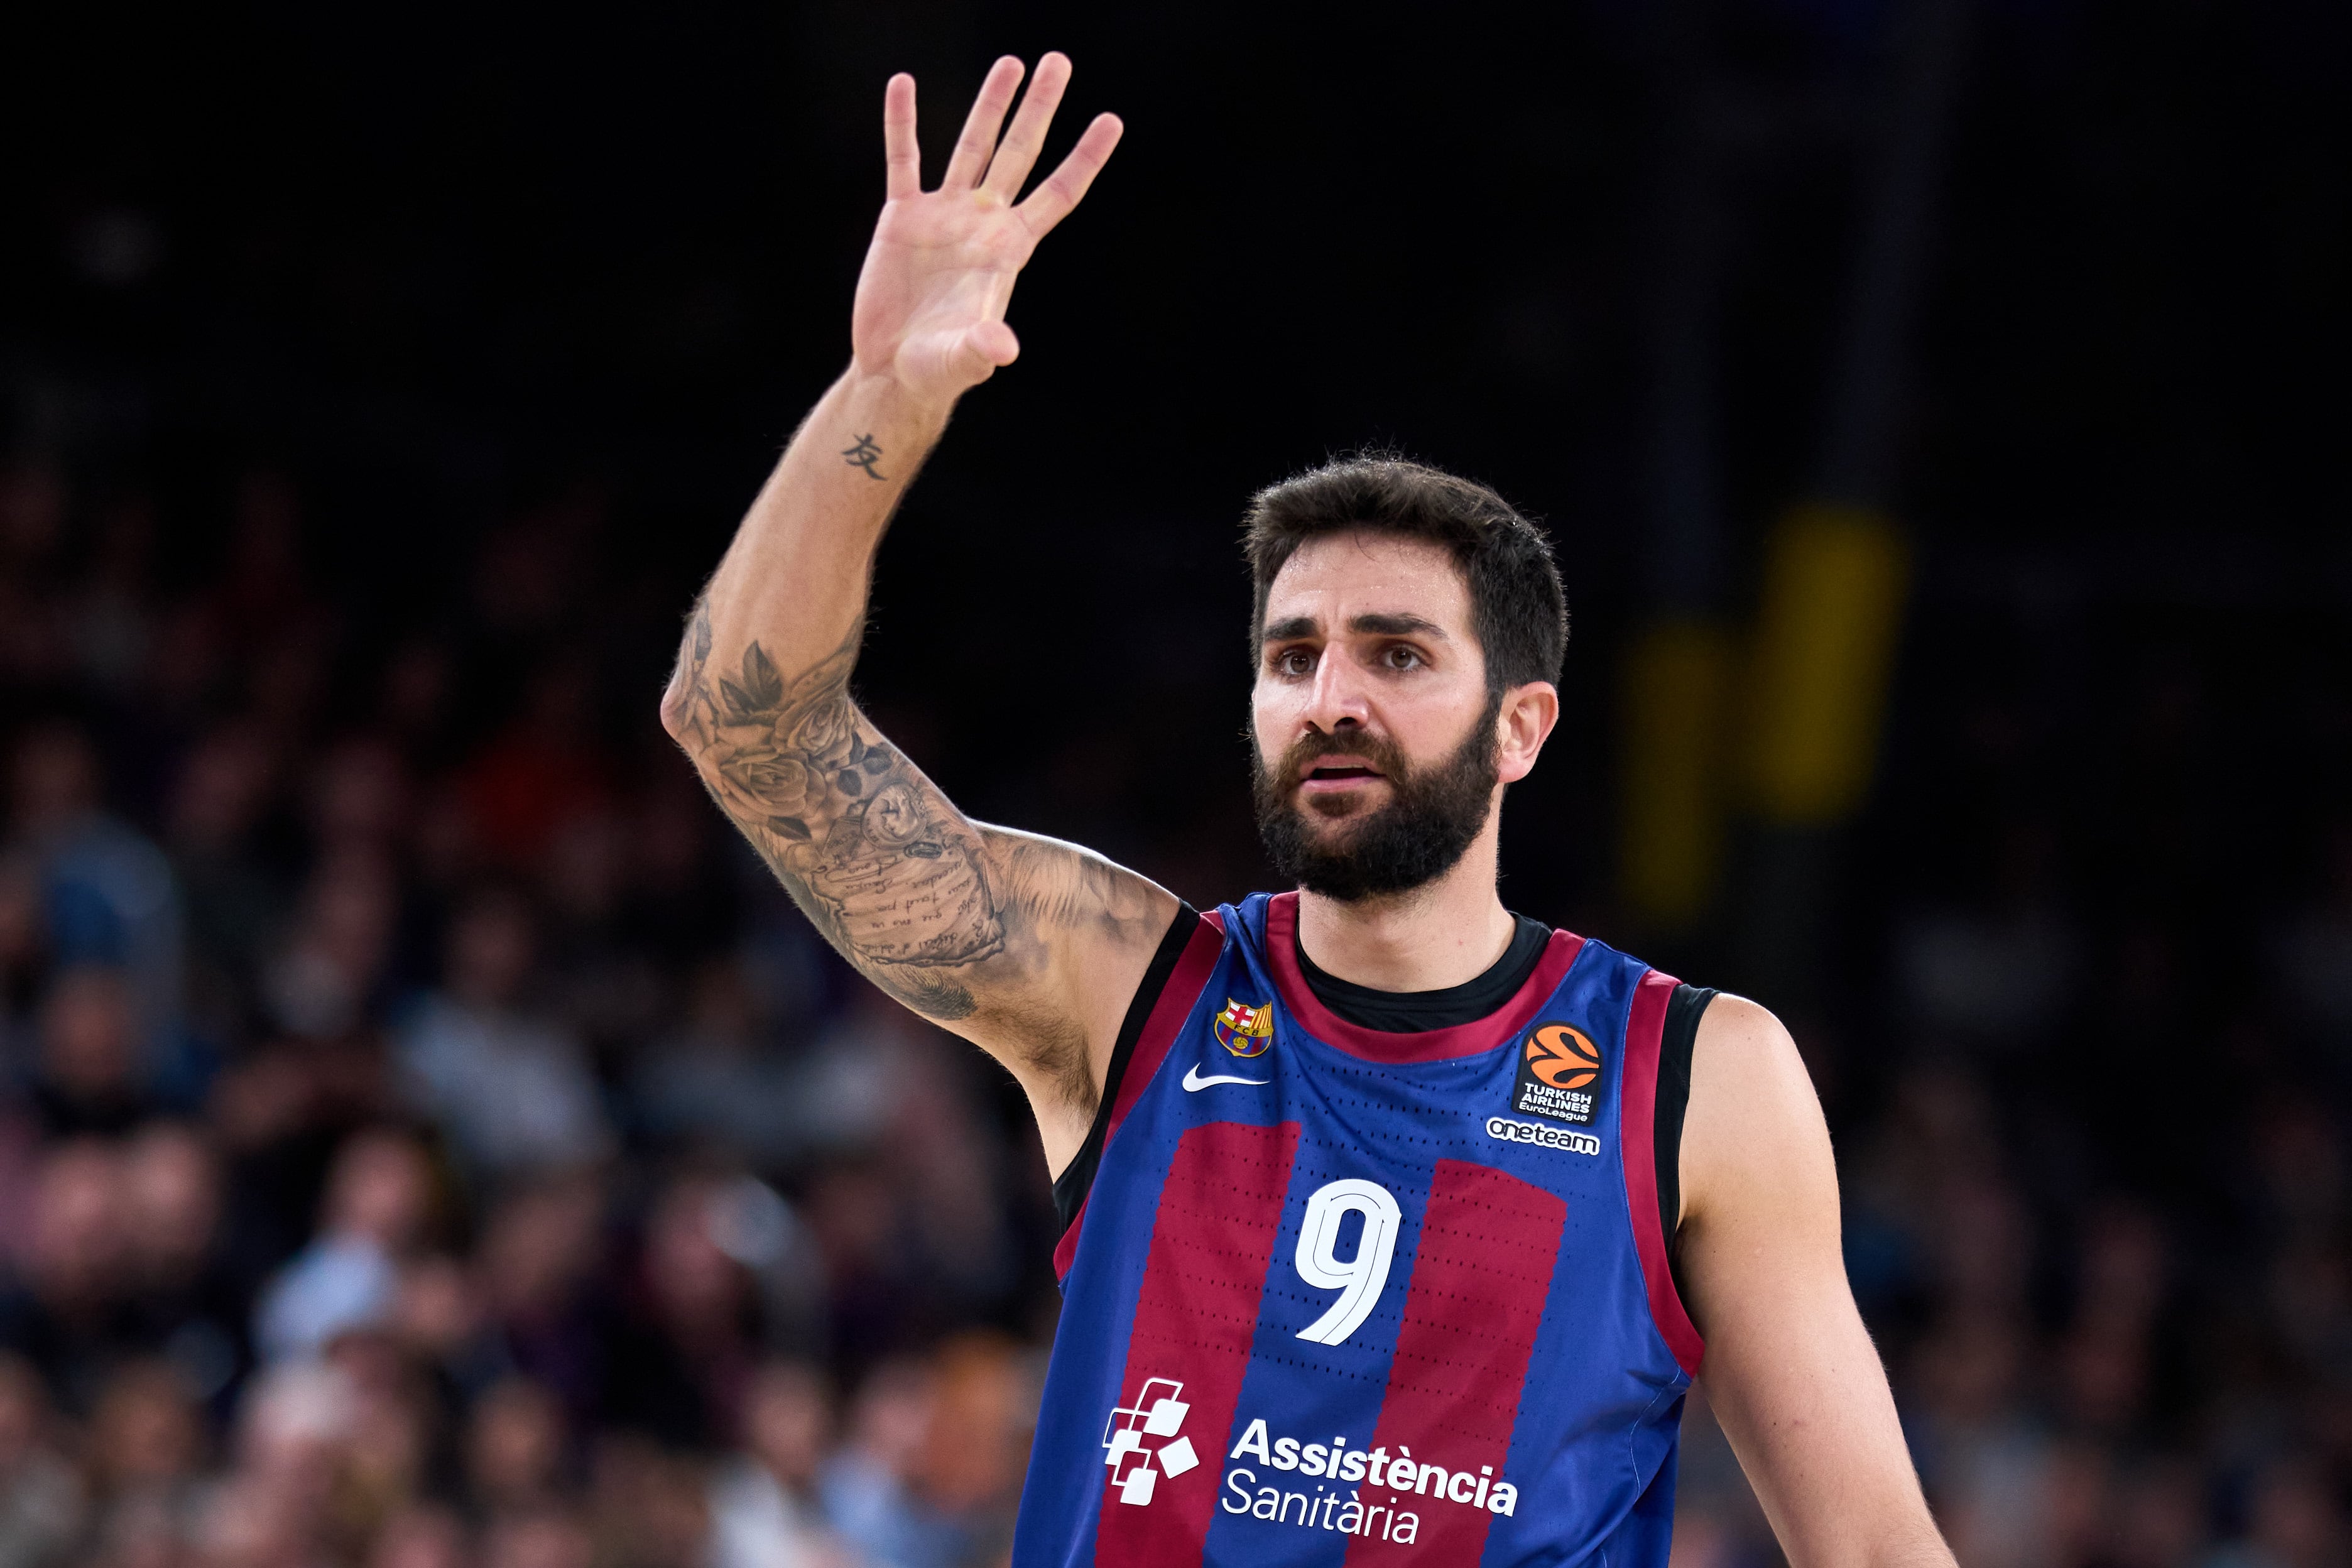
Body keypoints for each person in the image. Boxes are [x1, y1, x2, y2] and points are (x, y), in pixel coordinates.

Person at [659, 51, 1955, 1568]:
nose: (1329, 695)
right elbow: (744, 727)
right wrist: (880, 398)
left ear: (1520, 726)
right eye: (1292, 655)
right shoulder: (1129, 988)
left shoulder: (1696, 1077)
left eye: (1397, 654)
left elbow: (1872, 1549)